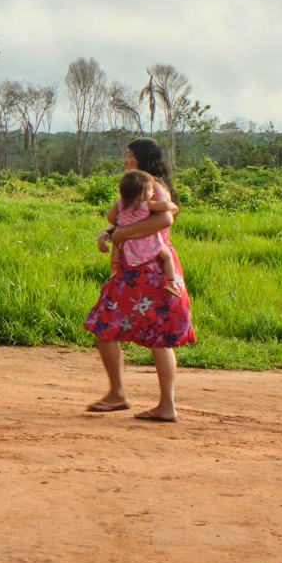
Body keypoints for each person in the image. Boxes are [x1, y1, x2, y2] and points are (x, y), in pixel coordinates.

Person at [84, 137, 195, 422]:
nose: (125, 160)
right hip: (141, 271)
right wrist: (109, 231)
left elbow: (164, 220)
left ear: (142, 159)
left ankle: (123, 395)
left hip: (147, 272)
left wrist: (121, 234)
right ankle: (155, 403)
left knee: (107, 324)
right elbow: (125, 217)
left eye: (129, 155)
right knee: (150, 335)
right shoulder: (142, 185)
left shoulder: (152, 187)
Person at [106, 169, 180, 289]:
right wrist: (172, 205)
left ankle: (115, 267)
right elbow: (163, 206)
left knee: (116, 245)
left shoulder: (120, 203)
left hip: (126, 242)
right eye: (150, 189)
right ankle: (171, 282)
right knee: (167, 256)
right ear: (140, 194)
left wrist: (120, 224)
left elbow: (110, 217)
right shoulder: (145, 204)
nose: (153, 192)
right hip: (147, 240)